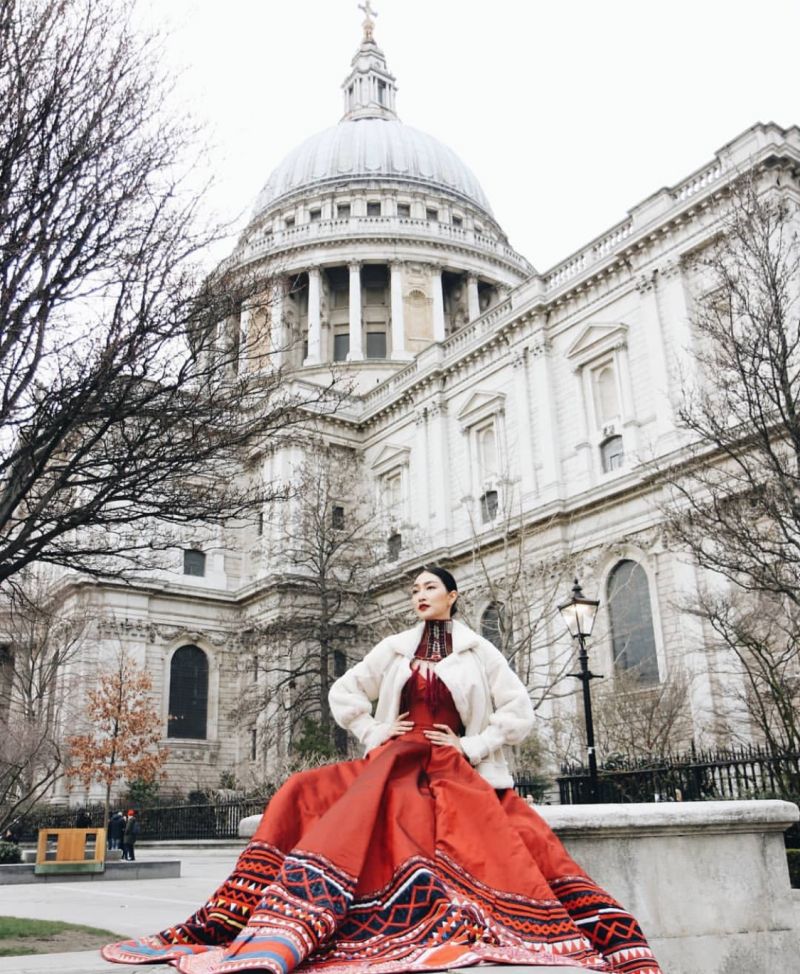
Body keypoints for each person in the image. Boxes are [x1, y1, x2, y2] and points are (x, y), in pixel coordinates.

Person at [102, 567, 662, 974]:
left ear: (452, 596)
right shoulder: (394, 648)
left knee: (428, 814)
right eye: (415, 589)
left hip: (453, 763)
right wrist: (374, 730)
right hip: (395, 756)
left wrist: (473, 745)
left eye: (430, 588)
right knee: (301, 788)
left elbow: (519, 711)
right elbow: (344, 692)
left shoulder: (479, 652)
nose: (420, 595)